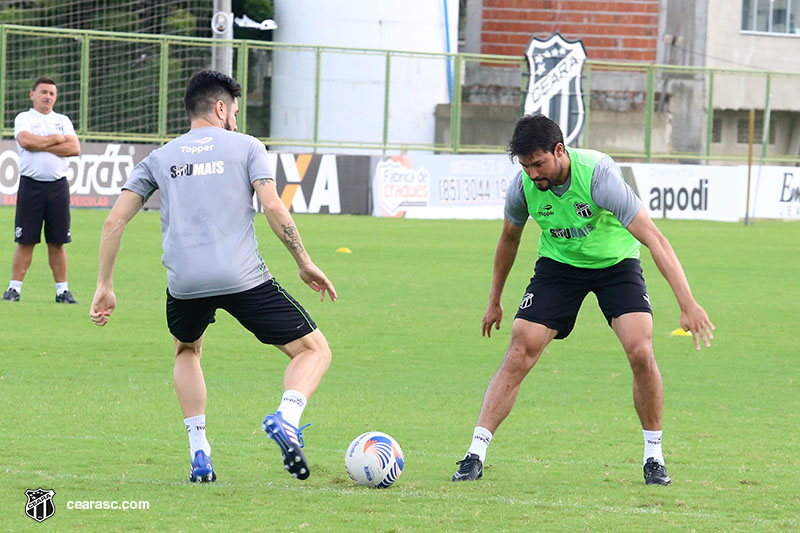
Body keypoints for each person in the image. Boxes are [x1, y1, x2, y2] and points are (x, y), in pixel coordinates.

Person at [89, 70, 336, 483]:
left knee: (187, 350)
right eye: (234, 112)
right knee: (314, 351)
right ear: (221, 108)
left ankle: (199, 452)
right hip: (242, 278)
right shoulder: (248, 146)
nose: (235, 121)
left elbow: (114, 221)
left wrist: (104, 285)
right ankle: (287, 418)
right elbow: (273, 206)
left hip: (185, 283)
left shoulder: (160, 157)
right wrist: (303, 260)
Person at [451, 114, 714, 486]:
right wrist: (494, 300)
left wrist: (687, 303)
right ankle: (474, 454)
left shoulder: (598, 177)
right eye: (525, 166)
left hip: (615, 264)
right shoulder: (523, 187)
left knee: (640, 349)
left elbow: (654, 238)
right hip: (559, 266)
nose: (533, 174)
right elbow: (509, 239)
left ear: (559, 150)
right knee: (519, 350)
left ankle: (653, 457)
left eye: (538, 164)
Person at [3, 77, 80, 303]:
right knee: (26, 240)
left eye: (52, 93)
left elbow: (74, 148)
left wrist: (43, 144)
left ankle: (62, 291)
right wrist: (56, 140)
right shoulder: (24, 118)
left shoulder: (62, 120)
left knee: (57, 241)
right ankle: (14, 289)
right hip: (31, 186)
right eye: (43, 92)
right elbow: (26, 141)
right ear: (32, 94)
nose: (47, 97)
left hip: (58, 187)